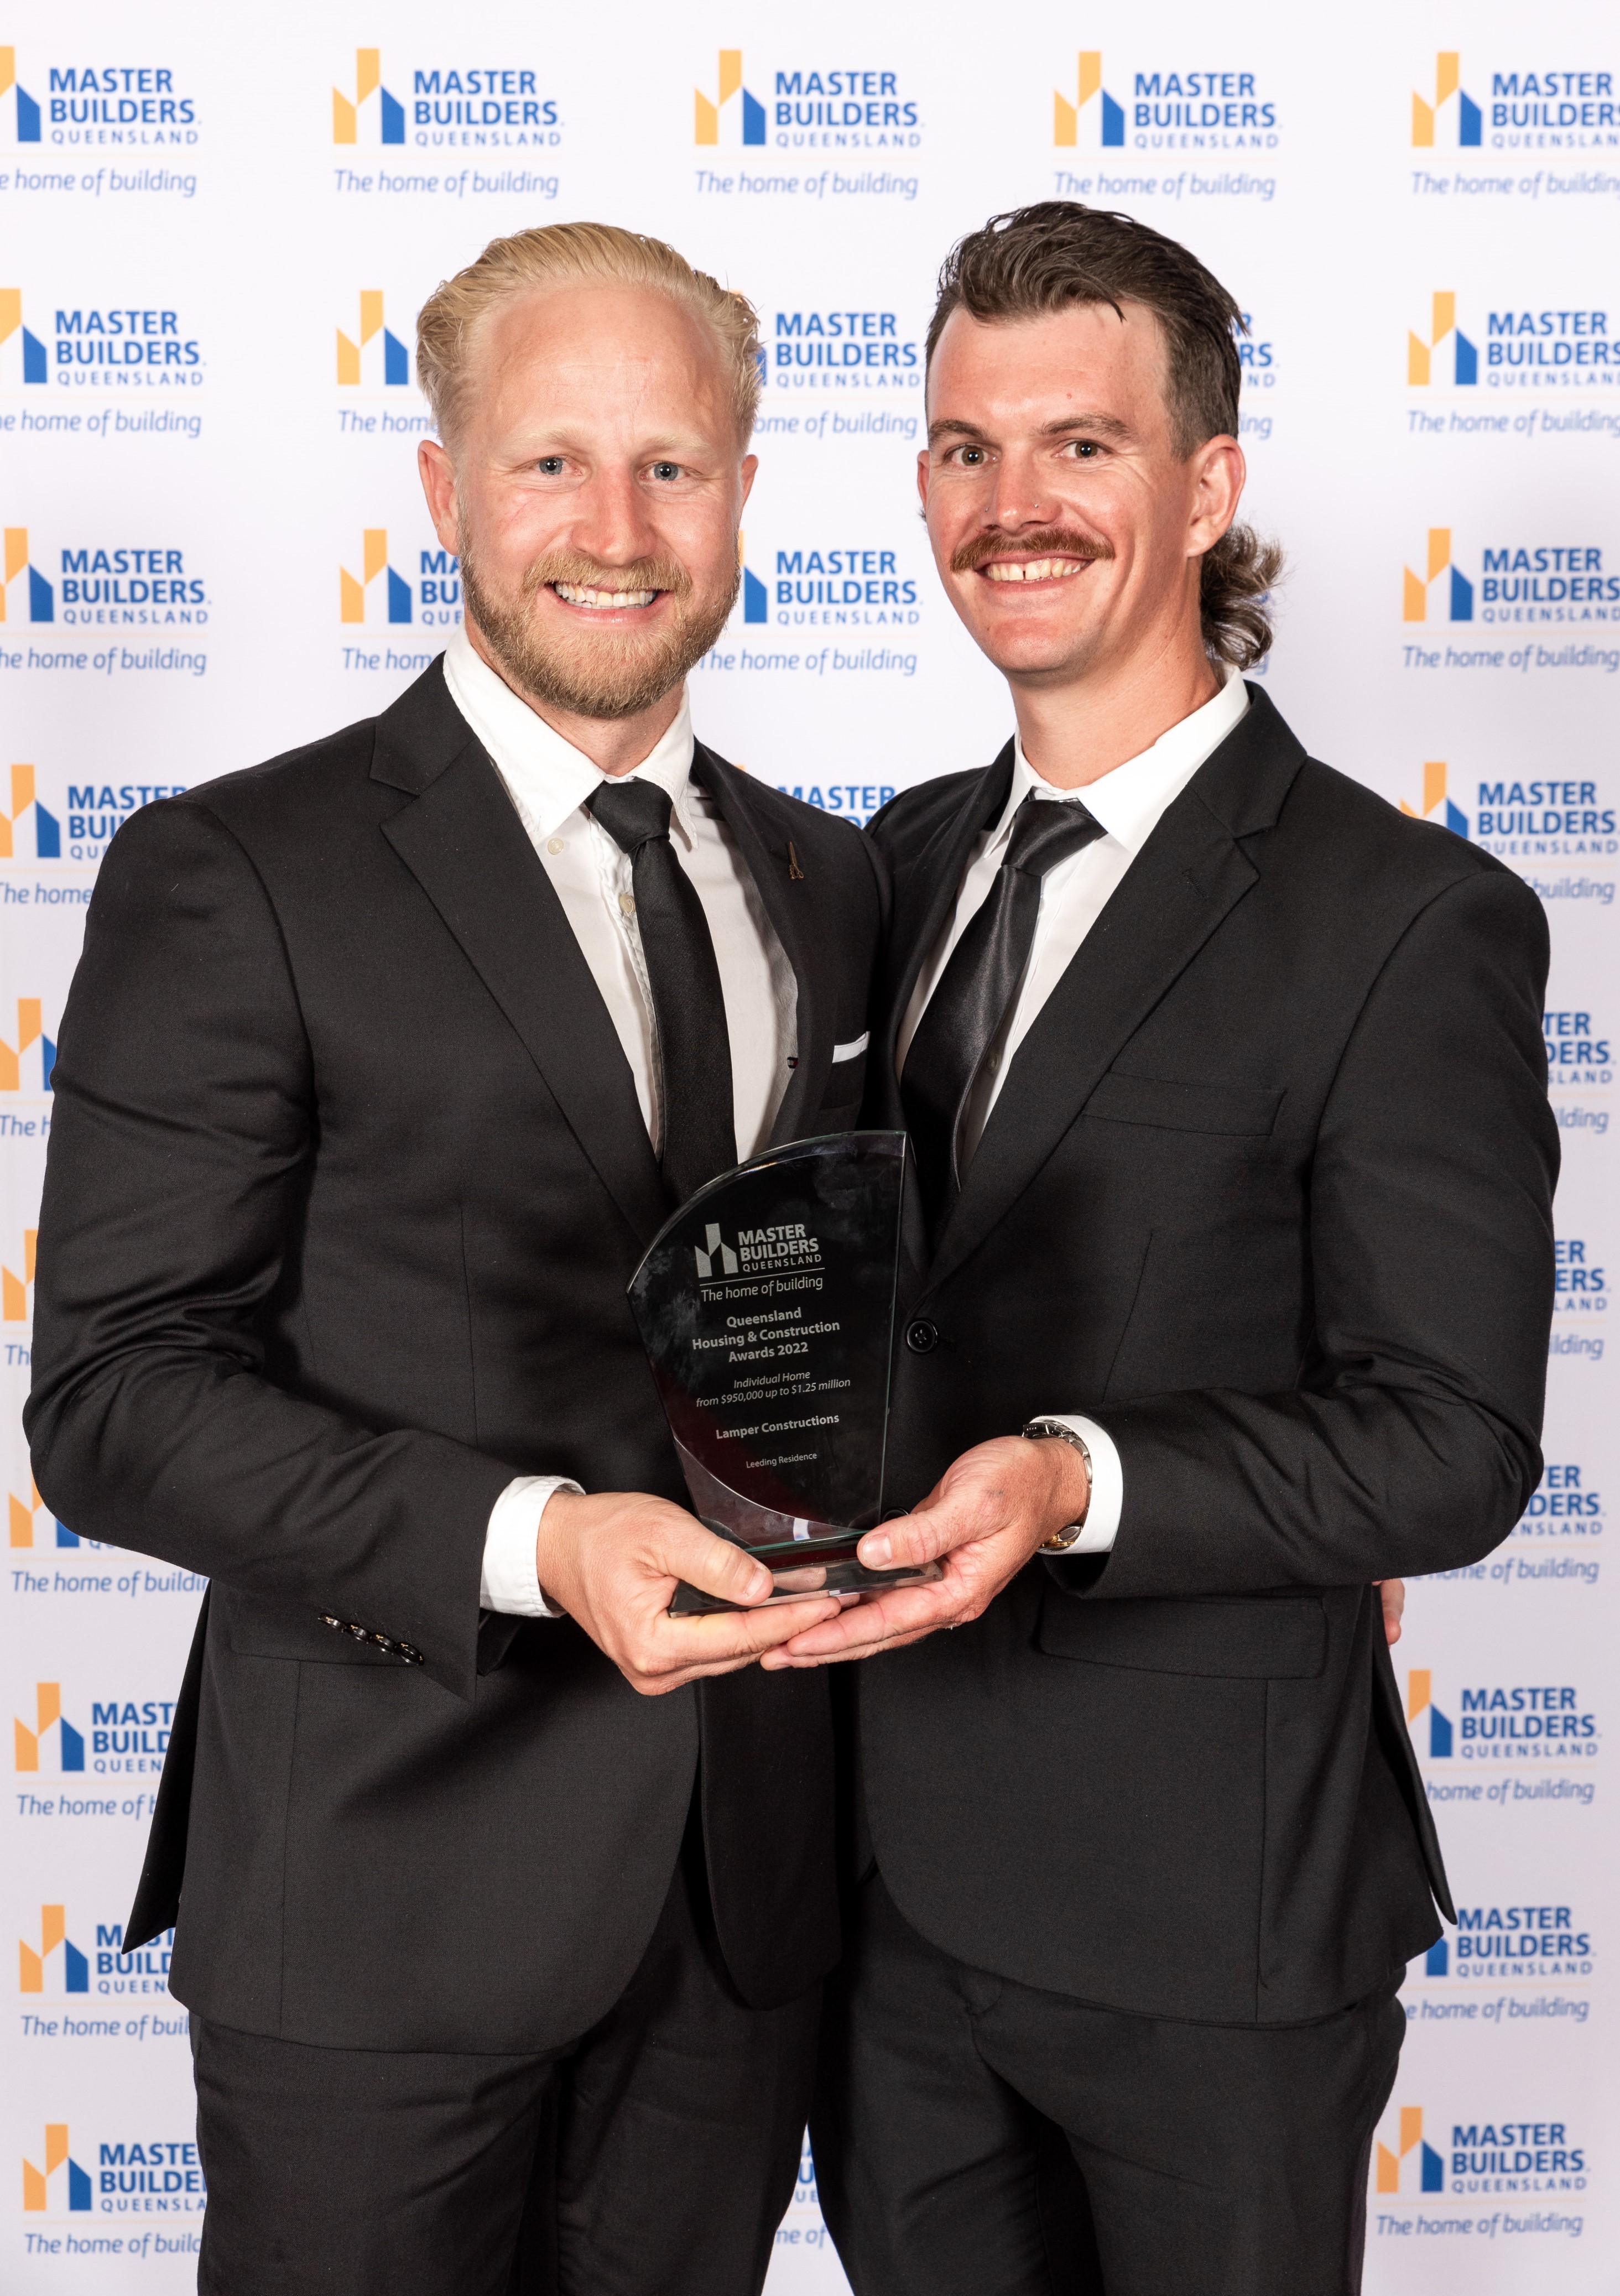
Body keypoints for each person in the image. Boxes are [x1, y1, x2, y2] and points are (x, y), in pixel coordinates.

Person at [25, 223, 888, 2296]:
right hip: (383, 1890)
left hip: (738, 1905)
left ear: (748, 496)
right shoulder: (239, 872)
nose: (615, 528)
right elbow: (116, 1400)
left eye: (672, 467)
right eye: (549, 465)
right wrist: (536, 1540)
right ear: (441, 491)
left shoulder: (830, 877)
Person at [770, 203, 1559, 2293]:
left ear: (1206, 485)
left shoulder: (1404, 921)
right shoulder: (882, 867)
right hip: (875, 1898)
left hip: (1210, 1921)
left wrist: (1072, 1481)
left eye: (1079, 446)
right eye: (961, 447)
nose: (1008, 507)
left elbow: (1449, 1444)